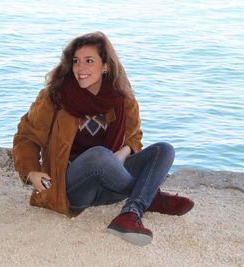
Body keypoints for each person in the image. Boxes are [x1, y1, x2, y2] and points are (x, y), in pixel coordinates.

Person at [12, 31, 194, 246]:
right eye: (76, 62)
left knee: (164, 150)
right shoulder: (54, 97)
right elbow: (26, 136)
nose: (80, 69)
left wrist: (123, 153)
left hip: (112, 186)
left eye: (89, 61)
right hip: (74, 187)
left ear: (105, 66)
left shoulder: (122, 97)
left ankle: (130, 212)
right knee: (99, 155)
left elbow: (134, 137)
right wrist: (31, 171)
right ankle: (148, 196)